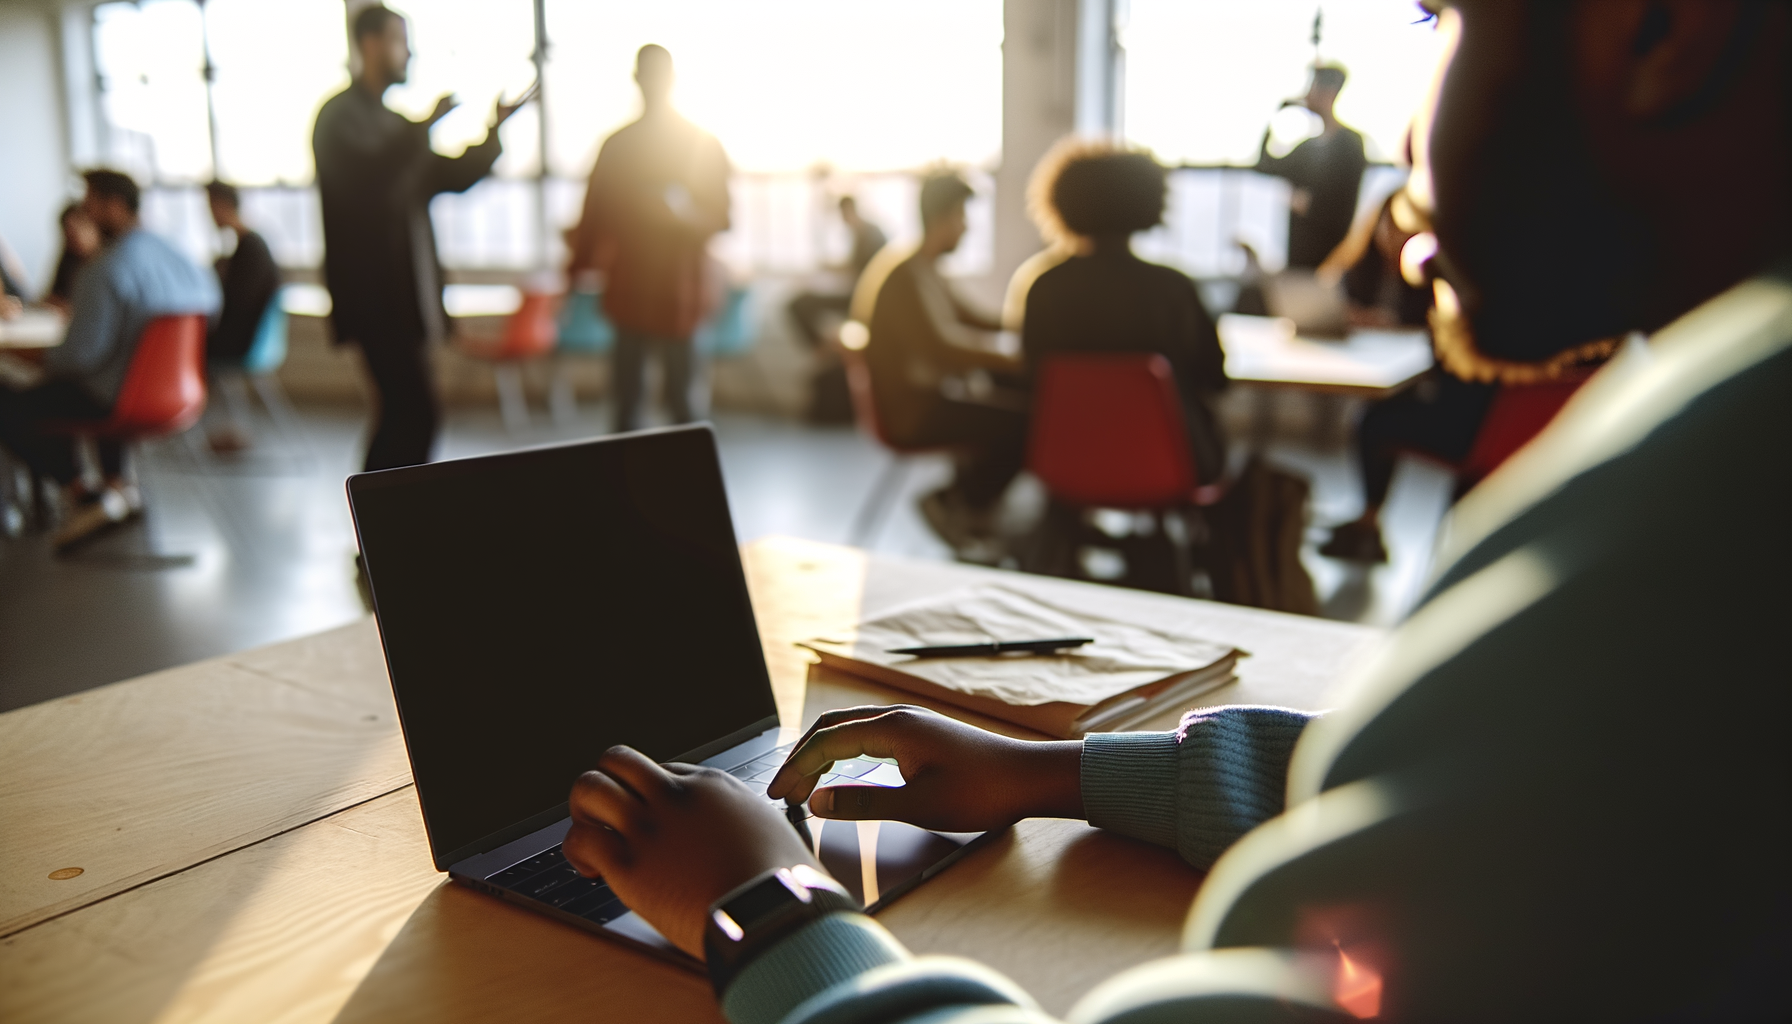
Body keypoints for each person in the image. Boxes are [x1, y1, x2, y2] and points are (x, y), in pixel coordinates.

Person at [553, 2, 1792, 1021]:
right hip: (1162, 488)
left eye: (1440, 20)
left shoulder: (1712, 538)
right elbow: (1504, 803)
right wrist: (1058, 770)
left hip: (1053, 471)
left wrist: (769, 910)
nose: (1405, 140)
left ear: (1657, 29)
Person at [312, 4, 522, 472]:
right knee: (412, 410)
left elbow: (445, 175)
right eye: (399, 41)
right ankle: (380, 527)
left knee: (410, 413)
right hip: (373, 297)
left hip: (407, 295)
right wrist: (424, 126)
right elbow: (366, 175)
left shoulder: (392, 124)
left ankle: (389, 526)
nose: (408, 54)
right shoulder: (338, 119)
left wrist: (494, 131)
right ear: (370, 45)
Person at [0, 170, 218, 550]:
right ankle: (118, 485)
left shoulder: (104, 269)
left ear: (112, 207)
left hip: (118, 396)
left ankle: (83, 492)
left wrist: (14, 351)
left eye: (89, 204)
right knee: (88, 380)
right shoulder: (182, 257)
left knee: (16, 399)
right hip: (181, 392)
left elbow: (74, 358)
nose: (83, 213)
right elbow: (212, 309)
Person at [1017, 139, 1229, 482]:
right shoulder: (1174, 288)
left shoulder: (1045, 288)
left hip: (1068, 455)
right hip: (1172, 459)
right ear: (1149, 200)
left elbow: (1033, 378)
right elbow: (1215, 379)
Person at [854, 171, 1025, 555]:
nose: (966, 229)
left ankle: (969, 502)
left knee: (1012, 401)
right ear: (944, 218)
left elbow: (979, 320)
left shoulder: (927, 271)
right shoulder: (906, 277)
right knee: (1024, 421)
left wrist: (1035, 324)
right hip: (916, 411)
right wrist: (1017, 359)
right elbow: (944, 349)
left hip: (932, 399)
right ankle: (961, 503)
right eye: (963, 219)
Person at [1318, 192, 1494, 562]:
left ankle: (1367, 523)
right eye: (1391, 225)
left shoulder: (1443, 278)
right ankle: (1367, 523)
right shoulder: (1363, 267)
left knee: (1374, 423)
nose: (1397, 236)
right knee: (1376, 418)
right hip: (1445, 396)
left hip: (1469, 419)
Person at [568, 44, 732, 434]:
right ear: (638, 80)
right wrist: (574, 271)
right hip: (636, 292)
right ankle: (634, 489)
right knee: (631, 404)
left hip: (679, 293)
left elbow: (722, 217)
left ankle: (687, 489)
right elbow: (592, 218)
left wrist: (681, 215)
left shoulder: (700, 143)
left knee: (680, 404)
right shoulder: (619, 146)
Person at [1255, 63, 1367, 270]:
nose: (1306, 94)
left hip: (1331, 263)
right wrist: (1277, 116)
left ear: (1329, 92)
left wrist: (1309, 205)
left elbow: (1342, 203)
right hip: (1299, 260)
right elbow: (1265, 166)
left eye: (1312, 86)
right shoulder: (1308, 147)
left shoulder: (1350, 144)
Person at [788, 196, 888, 423]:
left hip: (864, 300)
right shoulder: (865, 232)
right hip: (857, 295)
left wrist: (825, 268)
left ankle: (822, 346)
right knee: (802, 301)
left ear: (850, 211)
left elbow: (856, 273)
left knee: (799, 302)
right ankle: (823, 345)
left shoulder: (869, 234)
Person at [201, 180, 282, 454]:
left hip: (245, 343)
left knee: (191, 352)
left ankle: (217, 430)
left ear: (222, 206)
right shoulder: (246, 246)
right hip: (251, 340)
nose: (209, 216)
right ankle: (228, 429)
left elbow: (237, 306)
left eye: (210, 207)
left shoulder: (250, 248)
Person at [45, 203, 101, 311]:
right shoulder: (69, 260)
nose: (77, 238)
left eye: (80, 228)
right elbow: (52, 297)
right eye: (69, 235)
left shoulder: (109, 262)